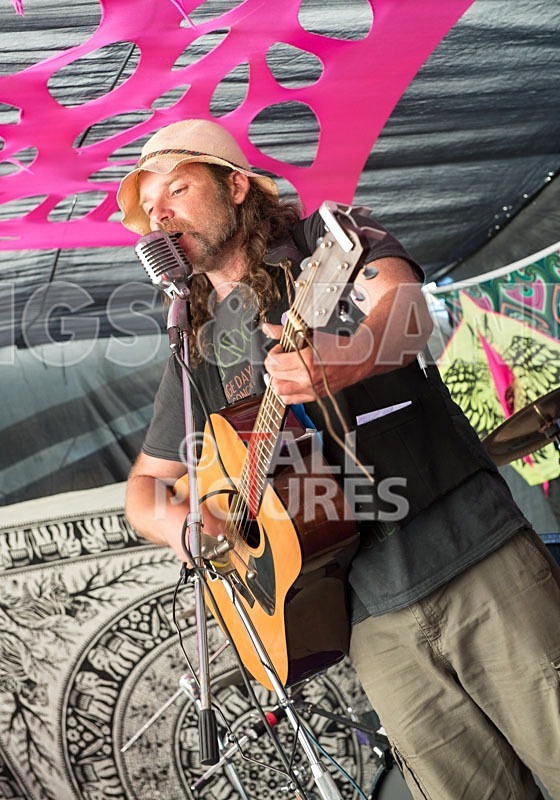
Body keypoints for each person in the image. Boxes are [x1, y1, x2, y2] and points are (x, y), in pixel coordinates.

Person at [117, 118, 560, 800]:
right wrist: (179, 525)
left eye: (177, 188)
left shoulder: (328, 242)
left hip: (473, 555)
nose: (162, 213)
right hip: (365, 621)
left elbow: (408, 312)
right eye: (152, 208)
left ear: (236, 187)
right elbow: (146, 486)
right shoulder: (197, 350)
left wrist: (348, 360)